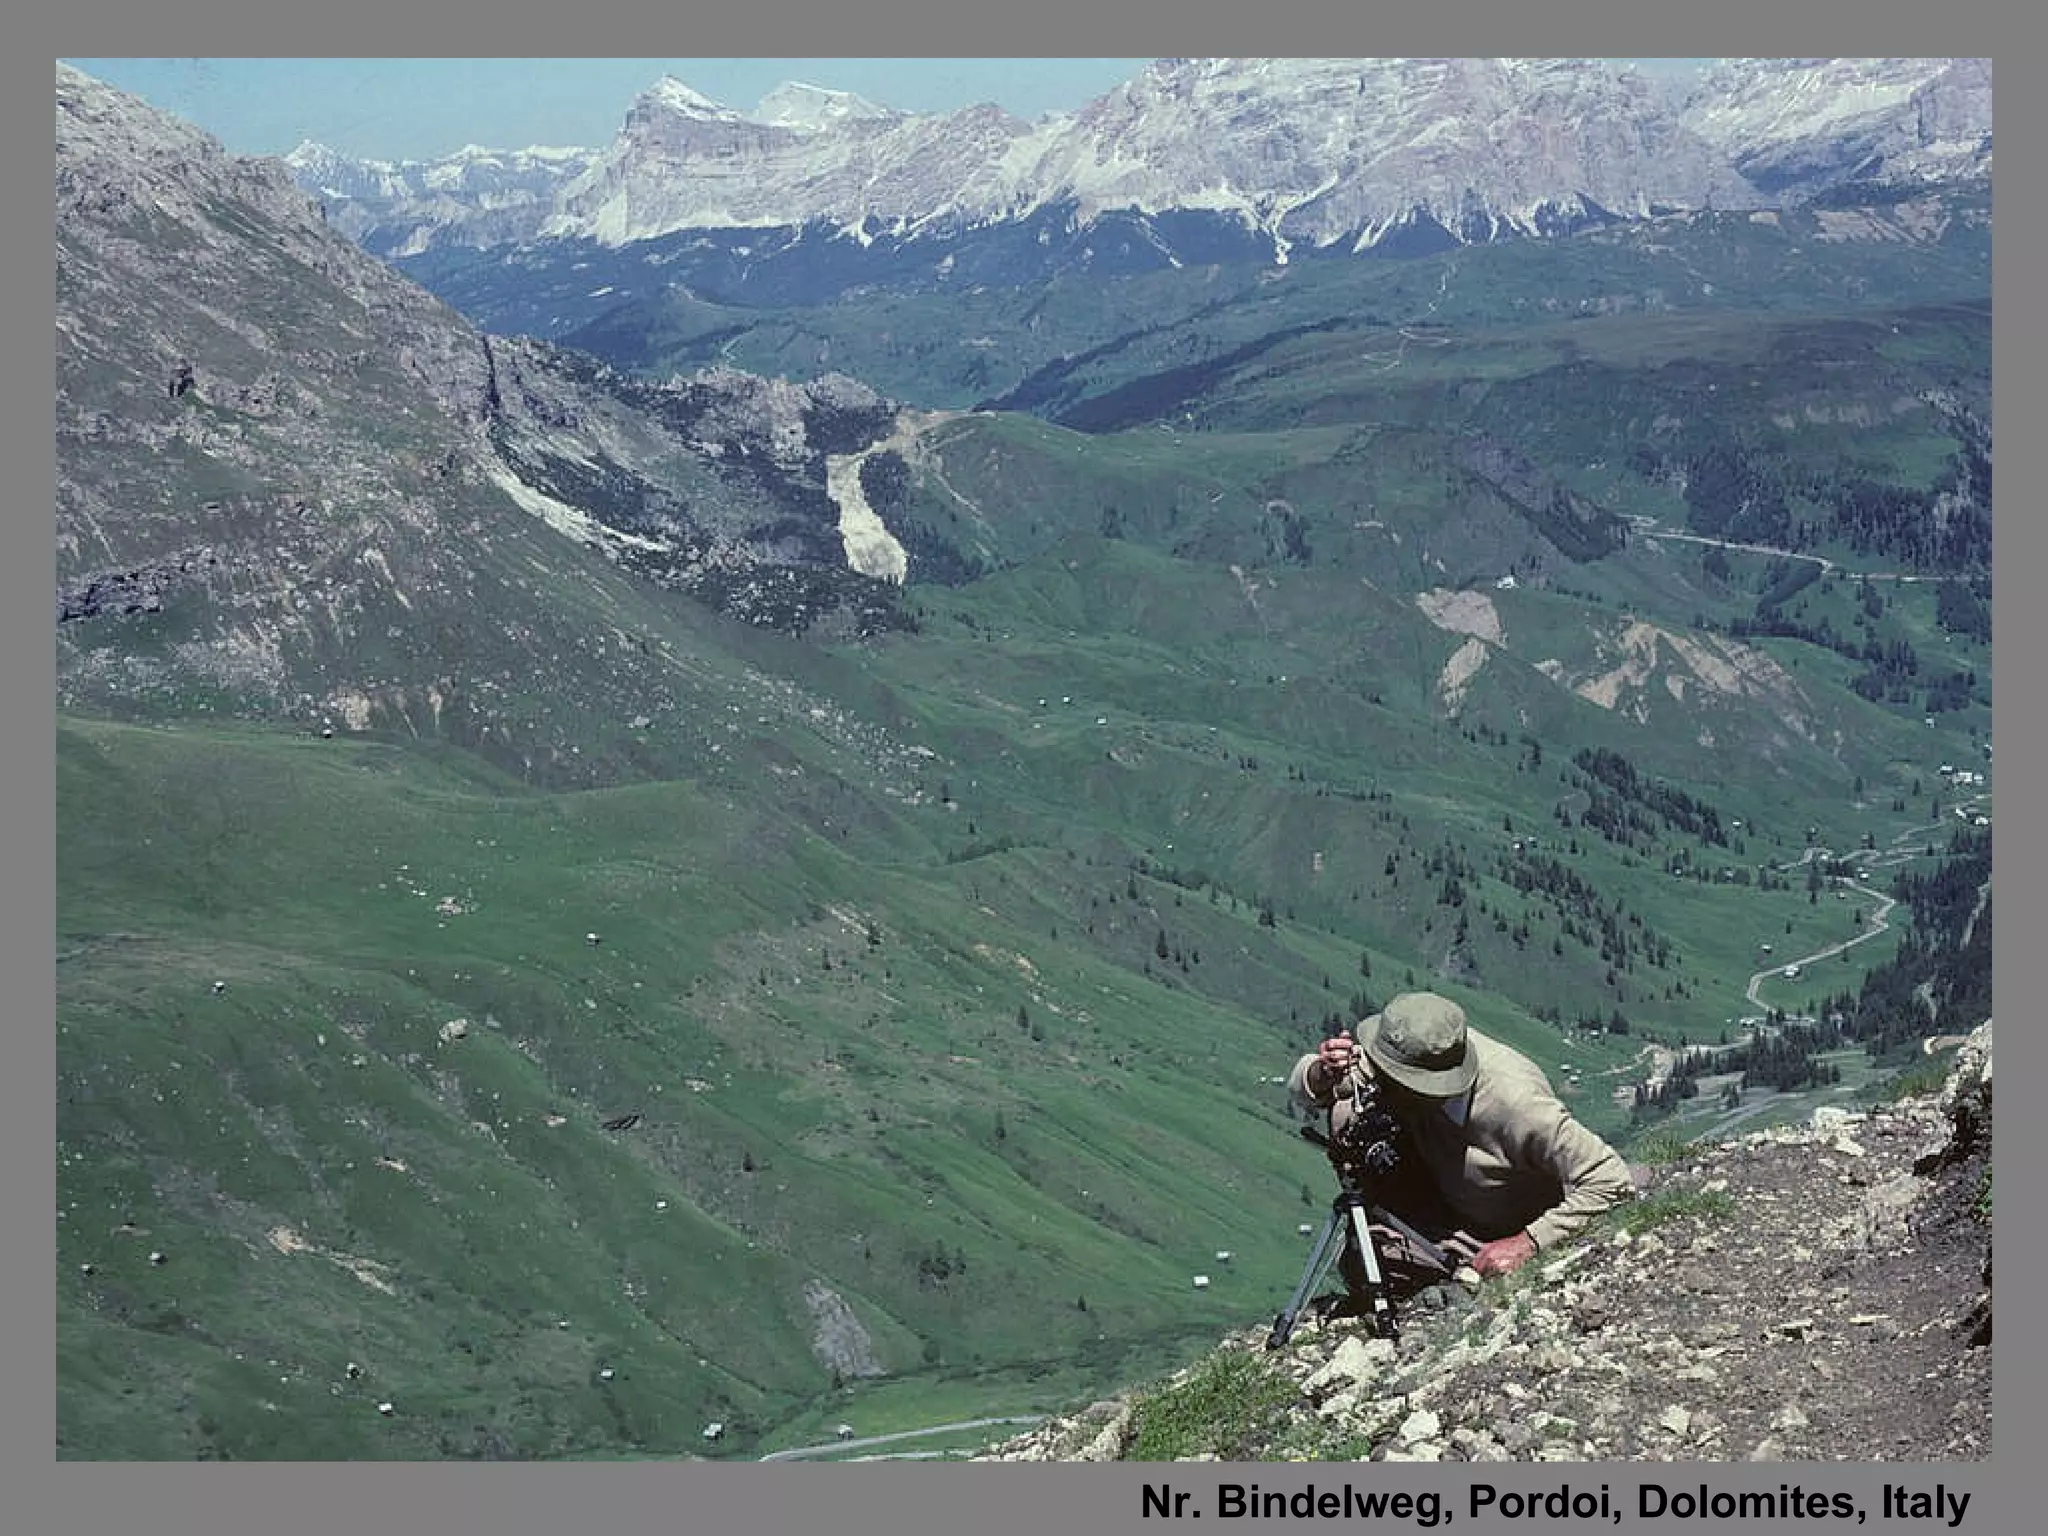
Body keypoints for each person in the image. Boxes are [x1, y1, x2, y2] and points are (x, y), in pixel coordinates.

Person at [1289, 991, 1636, 1279]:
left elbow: (1610, 1178)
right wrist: (1323, 1072)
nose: (1380, 1079)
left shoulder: (1516, 1104)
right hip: (1437, 1192)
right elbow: (1305, 1086)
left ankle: (1443, 1263)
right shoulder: (1401, 1053)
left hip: (1505, 1220)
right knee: (1348, 1109)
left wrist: (1527, 1243)